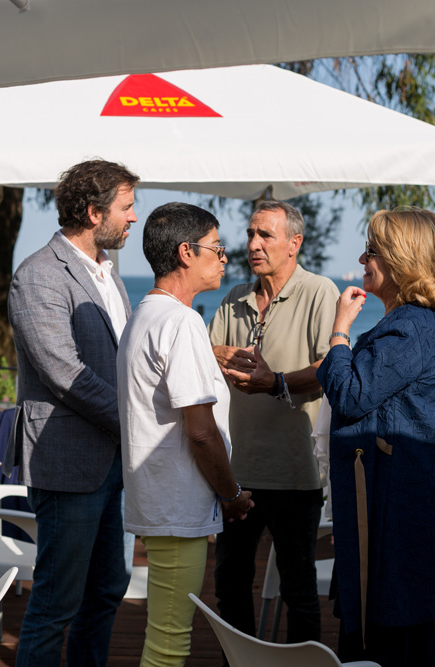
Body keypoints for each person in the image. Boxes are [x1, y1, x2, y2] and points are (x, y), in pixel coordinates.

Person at [317, 207, 435, 667]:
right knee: (402, 633)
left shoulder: (408, 329)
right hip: (404, 508)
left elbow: (350, 393)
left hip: (392, 515)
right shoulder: (420, 325)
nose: (363, 259)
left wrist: (339, 330)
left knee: (385, 639)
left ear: (402, 261)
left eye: (373, 250)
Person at [5, 159, 139, 667]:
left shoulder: (110, 273)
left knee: (106, 590)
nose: (133, 217)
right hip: (68, 465)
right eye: (125, 207)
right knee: (55, 605)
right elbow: (66, 373)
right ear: (91, 211)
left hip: (111, 464)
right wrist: (136, 422)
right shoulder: (38, 275)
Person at [118, 202, 253, 667]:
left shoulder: (144, 315)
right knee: (169, 645)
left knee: (164, 636)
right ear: (185, 253)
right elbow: (201, 432)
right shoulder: (181, 321)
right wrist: (231, 493)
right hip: (176, 505)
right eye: (216, 248)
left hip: (156, 498)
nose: (224, 258)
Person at [208, 200, 339, 648]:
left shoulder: (320, 292)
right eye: (250, 234)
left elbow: (331, 368)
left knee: (299, 592)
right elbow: (202, 358)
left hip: (295, 472)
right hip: (236, 474)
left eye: (266, 235)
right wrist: (220, 355)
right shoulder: (233, 298)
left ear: (294, 243)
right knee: (229, 585)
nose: (253, 244)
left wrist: (275, 381)